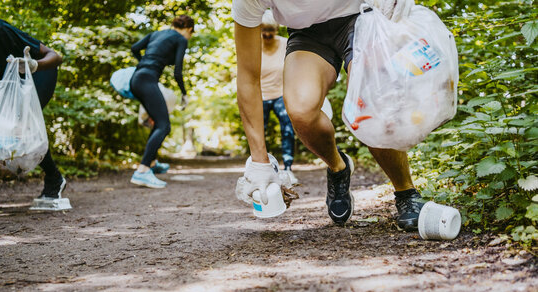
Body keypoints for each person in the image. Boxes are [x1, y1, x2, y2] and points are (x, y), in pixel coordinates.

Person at [232, 0, 424, 230]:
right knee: (300, 111)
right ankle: (338, 167)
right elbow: (247, 78)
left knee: (370, 99)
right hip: (307, 34)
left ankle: (406, 192)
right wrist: (259, 162)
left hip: (362, 17)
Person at [0, 18, 67, 206]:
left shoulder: (1, 29)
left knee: (22, 126)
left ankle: (54, 178)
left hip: (36, 76)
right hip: (5, 88)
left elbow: (55, 56)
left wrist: (34, 65)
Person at [129, 15, 194, 189]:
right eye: (191, 33)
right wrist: (184, 94)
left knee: (158, 122)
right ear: (188, 29)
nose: (189, 37)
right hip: (148, 80)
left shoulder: (156, 34)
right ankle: (142, 171)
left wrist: (143, 63)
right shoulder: (181, 39)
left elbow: (134, 48)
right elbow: (178, 72)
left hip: (136, 78)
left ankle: (151, 163)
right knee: (164, 126)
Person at [259, 10, 298, 185]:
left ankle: (288, 168)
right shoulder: (253, 46)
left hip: (281, 94)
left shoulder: (284, 44)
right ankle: (261, 168)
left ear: (276, 29)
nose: (267, 34)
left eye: (271, 30)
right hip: (260, 96)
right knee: (259, 131)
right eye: (264, 30)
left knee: (288, 129)